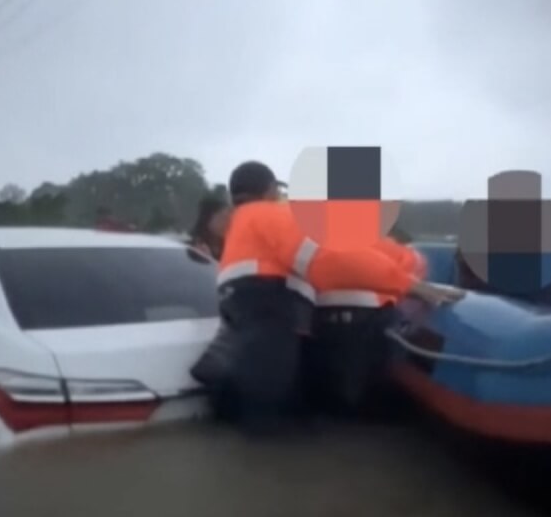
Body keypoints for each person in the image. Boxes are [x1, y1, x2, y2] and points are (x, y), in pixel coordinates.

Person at [193, 160, 461, 431]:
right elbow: (331, 259)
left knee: (277, 399)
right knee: (279, 410)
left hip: (268, 315)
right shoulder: (272, 216)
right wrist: (411, 285)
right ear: (271, 190)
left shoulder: (241, 230)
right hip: (297, 316)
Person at [188, 194, 231, 261]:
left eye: (229, 218)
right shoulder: (193, 248)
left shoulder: (229, 245)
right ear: (207, 218)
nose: (227, 223)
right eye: (222, 218)